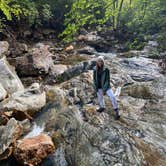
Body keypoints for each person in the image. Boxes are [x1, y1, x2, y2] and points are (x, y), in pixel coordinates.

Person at [93, 56, 120, 120]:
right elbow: (94, 79)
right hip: (98, 86)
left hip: (106, 86)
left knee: (112, 97)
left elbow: (107, 80)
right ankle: (102, 107)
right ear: (97, 62)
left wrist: (104, 89)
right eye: (99, 61)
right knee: (100, 98)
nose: (100, 62)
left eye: (101, 61)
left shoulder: (106, 69)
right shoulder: (94, 69)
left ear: (103, 62)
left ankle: (116, 110)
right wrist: (95, 87)